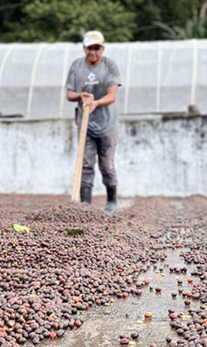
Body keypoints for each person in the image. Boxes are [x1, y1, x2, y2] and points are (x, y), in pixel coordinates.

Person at [66, 30, 121, 214]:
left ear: (102, 49)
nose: (93, 52)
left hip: (107, 126)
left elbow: (112, 96)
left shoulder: (110, 66)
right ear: (84, 48)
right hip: (85, 125)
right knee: (86, 164)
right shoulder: (76, 66)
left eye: (97, 48)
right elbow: (69, 95)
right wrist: (80, 96)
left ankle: (112, 201)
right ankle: (86, 207)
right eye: (90, 48)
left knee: (106, 166)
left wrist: (96, 103)